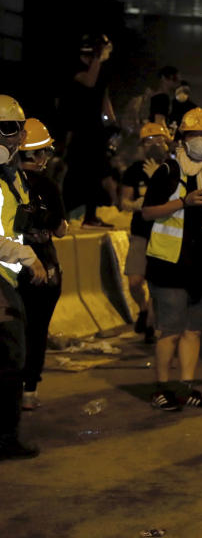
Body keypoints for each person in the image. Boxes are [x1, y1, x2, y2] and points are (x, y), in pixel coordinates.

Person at [141, 108, 202, 412]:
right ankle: (162, 388)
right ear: (183, 138)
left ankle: (186, 387)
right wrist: (184, 202)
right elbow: (147, 212)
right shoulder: (167, 171)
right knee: (171, 330)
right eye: (195, 134)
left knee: (193, 330)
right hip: (169, 266)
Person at [0, 96, 48, 460]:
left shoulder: (11, 174)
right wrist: (27, 256)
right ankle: (5, 438)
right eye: (10, 130)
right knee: (9, 359)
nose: (17, 140)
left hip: (6, 276)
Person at [17, 119, 67, 411]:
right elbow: (60, 230)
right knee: (36, 331)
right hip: (44, 269)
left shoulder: (6, 182)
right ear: (36, 155)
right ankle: (29, 389)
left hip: (10, 269)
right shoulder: (47, 185)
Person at [121, 123, 170, 344]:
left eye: (158, 139)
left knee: (156, 284)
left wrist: (158, 179)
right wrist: (135, 204)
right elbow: (124, 201)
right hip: (141, 232)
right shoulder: (134, 171)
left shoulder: (173, 167)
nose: (154, 144)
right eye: (149, 141)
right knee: (134, 281)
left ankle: (150, 324)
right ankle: (143, 309)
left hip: (165, 234)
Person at [61, 33, 116, 228]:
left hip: (96, 131)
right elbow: (90, 82)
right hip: (81, 131)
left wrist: (112, 121)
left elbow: (104, 96)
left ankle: (90, 217)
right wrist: (97, 57)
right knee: (76, 175)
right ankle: (62, 216)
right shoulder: (78, 69)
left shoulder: (101, 70)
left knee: (97, 175)